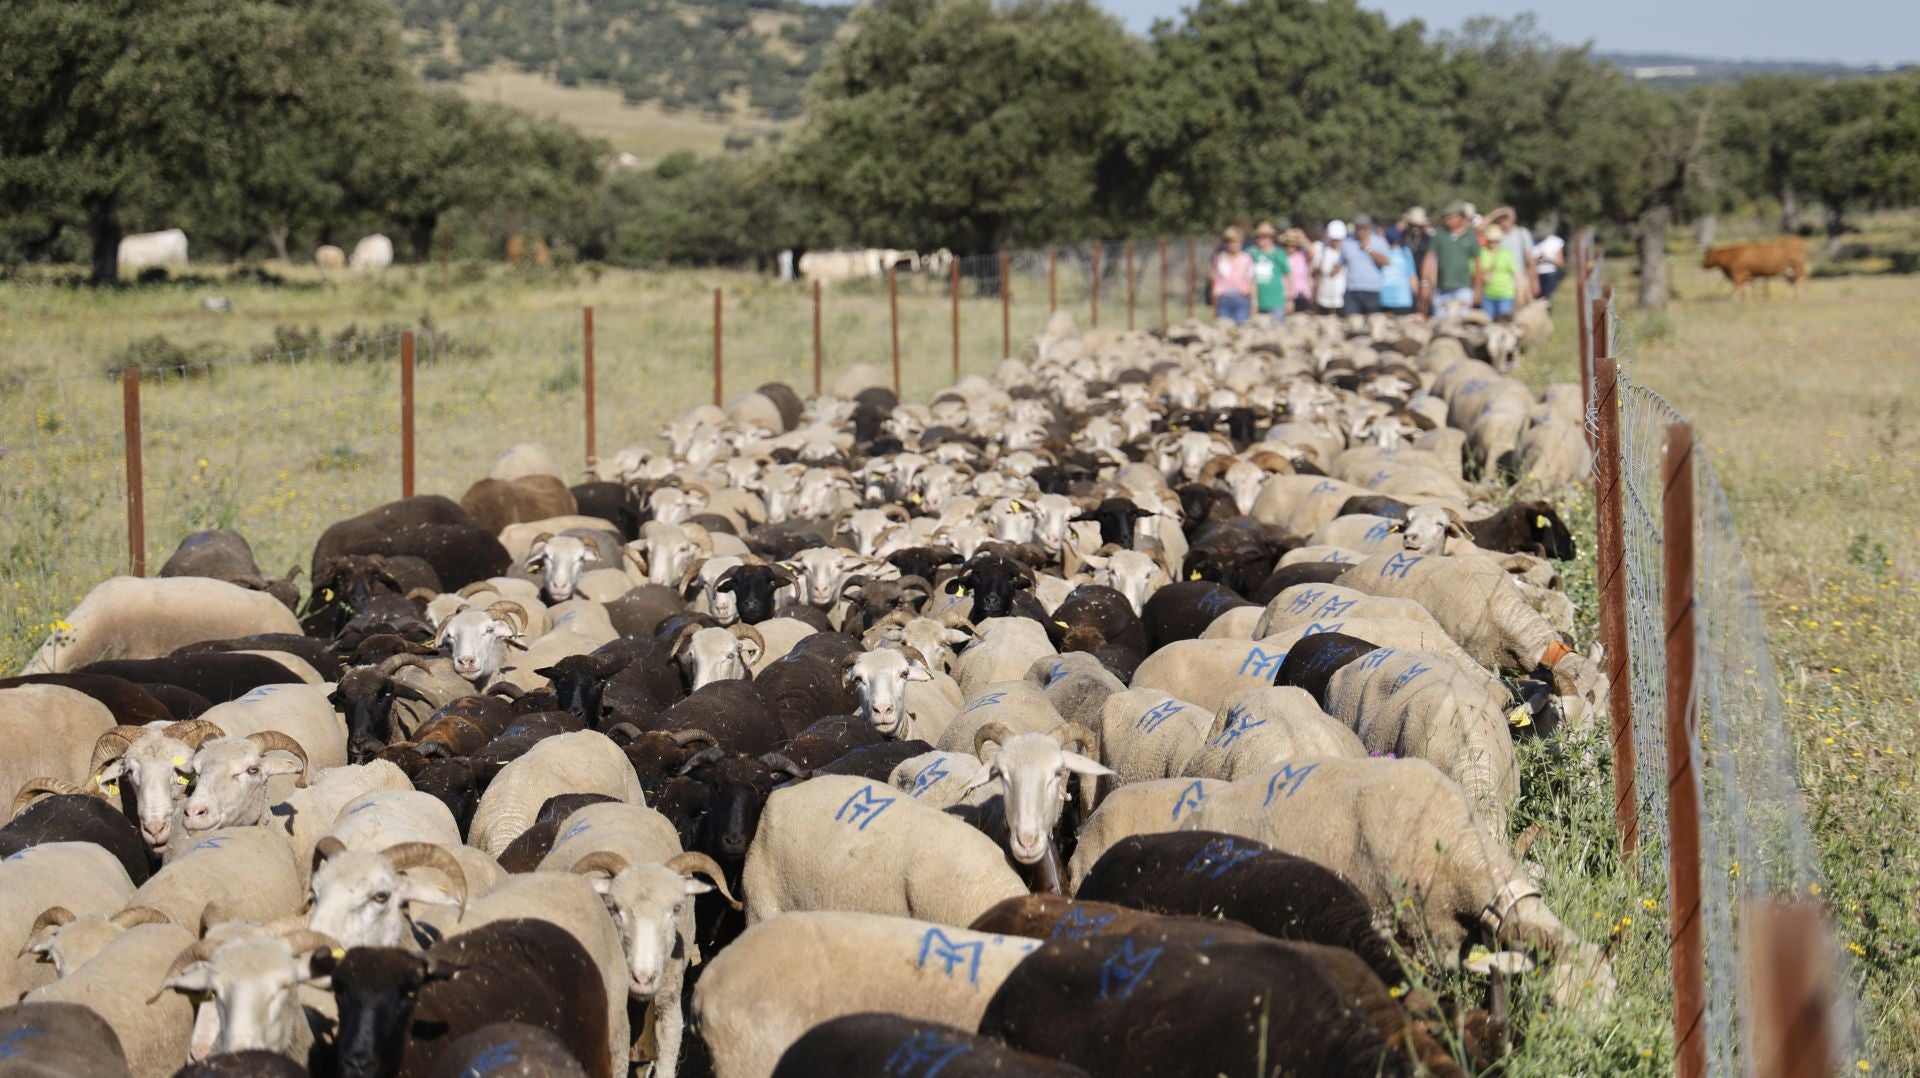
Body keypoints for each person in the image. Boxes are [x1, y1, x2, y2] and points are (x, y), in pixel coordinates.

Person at [1422, 202, 1477, 318]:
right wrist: (1425, 284)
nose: (1447, 218)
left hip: (1463, 288)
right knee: (1440, 324)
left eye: (1451, 216)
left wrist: (1478, 290)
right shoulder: (1439, 235)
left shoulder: (1471, 237)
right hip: (1441, 289)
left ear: (1461, 218)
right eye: (1445, 216)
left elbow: (1478, 264)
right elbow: (1429, 259)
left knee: (1462, 324)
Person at [1339, 214, 1390, 315]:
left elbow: (1386, 262)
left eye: (1363, 228)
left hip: (1372, 290)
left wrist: (1368, 249)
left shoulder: (1380, 242)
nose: (1360, 231)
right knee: (1353, 323)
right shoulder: (1347, 243)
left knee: (1373, 323)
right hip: (1352, 290)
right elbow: (1340, 263)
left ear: (1369, 228)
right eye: (1358, 227)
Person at [1488, 206, 1539, 304]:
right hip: (1499, 280)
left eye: (1507, 217)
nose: (1504, 221)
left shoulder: (1522, 233)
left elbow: (1530, 259)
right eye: (1501, 218)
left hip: (1518, 278)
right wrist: (1495, 213)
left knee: (1521, 309)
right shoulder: (1494, 234)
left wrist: (1534, 282)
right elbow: (1479, 227)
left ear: (1514, 218)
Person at [1474, 223, 1520, 320]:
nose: (1492, 243)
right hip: (1487, 295)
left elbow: (1515, 273)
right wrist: (1482, 277)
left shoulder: (1506, 254)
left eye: (1494, 241)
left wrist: (1519, 291)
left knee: (1504, 322)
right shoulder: (1481, 253)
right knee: (1488, 322)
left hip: (1505, 294)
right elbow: (1473, 272)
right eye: (1490, 241)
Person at [1211, 227, 1255, 324]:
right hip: (1224, 299)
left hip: (1241, 299)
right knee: (1223, 330)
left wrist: (1254, 303)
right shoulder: (1220, 259)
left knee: (1241, 329)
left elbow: (1251, 282)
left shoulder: (1247, 259)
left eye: (1237, 242)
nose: (1234, 245)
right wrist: (1214, 305)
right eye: (1231, 242)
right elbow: (1215, 283)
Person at [1247, 222, 1289, 322]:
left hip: (1276, 303)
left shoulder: (1279, 253)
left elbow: (1288, 276)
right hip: (1256, 303)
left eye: (1266, 236)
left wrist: (1289, 299)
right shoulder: (1251, 252)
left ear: (1271, 237)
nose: (1262, 239)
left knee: (1276, 333)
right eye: (1259, 236)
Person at [1312, 221, 1348, 316]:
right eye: (1334, 239)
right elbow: (1316, 271)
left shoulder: (1347, 251)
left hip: (1342, 298)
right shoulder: (1321, 249)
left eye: (1338, 239)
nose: (1336, 242)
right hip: (1324, 297)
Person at [1378, 229, 1416, 315]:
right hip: (1394, 298)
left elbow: (1412, 277)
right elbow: (1412, 277)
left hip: (1392, 298)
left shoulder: (1405, 252)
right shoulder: (1405, 252)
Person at [1283, 228, 1313, 313]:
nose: (1290, 247)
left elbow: (1312, 252)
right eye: (1288, 244)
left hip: (1301, 294)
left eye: (1293, 245)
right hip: (1286, 295)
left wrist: (1302, 237)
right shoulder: (1282, 256)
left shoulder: (1302, 256)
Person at [1534, 228, 1566, 300]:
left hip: (1551, 275)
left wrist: (1548, 259)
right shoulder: (1533, 242)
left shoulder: (1556, 242)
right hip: (1536, 276)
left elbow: (1561, 263)